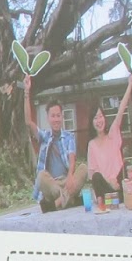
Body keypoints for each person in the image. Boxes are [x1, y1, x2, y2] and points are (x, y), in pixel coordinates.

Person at [19, 72, 84, 211]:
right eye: (53, 116)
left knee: (83, 168)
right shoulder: (44, 136)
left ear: (62, 117)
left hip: (67, 182)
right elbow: (28, 121)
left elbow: (72, 158)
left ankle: (57, 203)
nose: (56, 119)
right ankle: (69, 199)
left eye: (58, 116)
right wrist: (26, 92)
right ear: (48, 118)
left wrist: (71, 176)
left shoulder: (69, 136)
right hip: (53, 185)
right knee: (41, 176)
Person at [86, 71, 132, 207]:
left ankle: (125, 196)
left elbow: (121, 110)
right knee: (96, 177)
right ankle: (105, 201)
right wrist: (109, 181)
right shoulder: (92, 145)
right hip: (107, 188)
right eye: (95, 118)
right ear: (91, 122)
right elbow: (92, 174)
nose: (99, 120)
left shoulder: (112, 134)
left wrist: (130, 85)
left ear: (104, 118)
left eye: (100, 116)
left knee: (127, 166)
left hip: (119, 185)